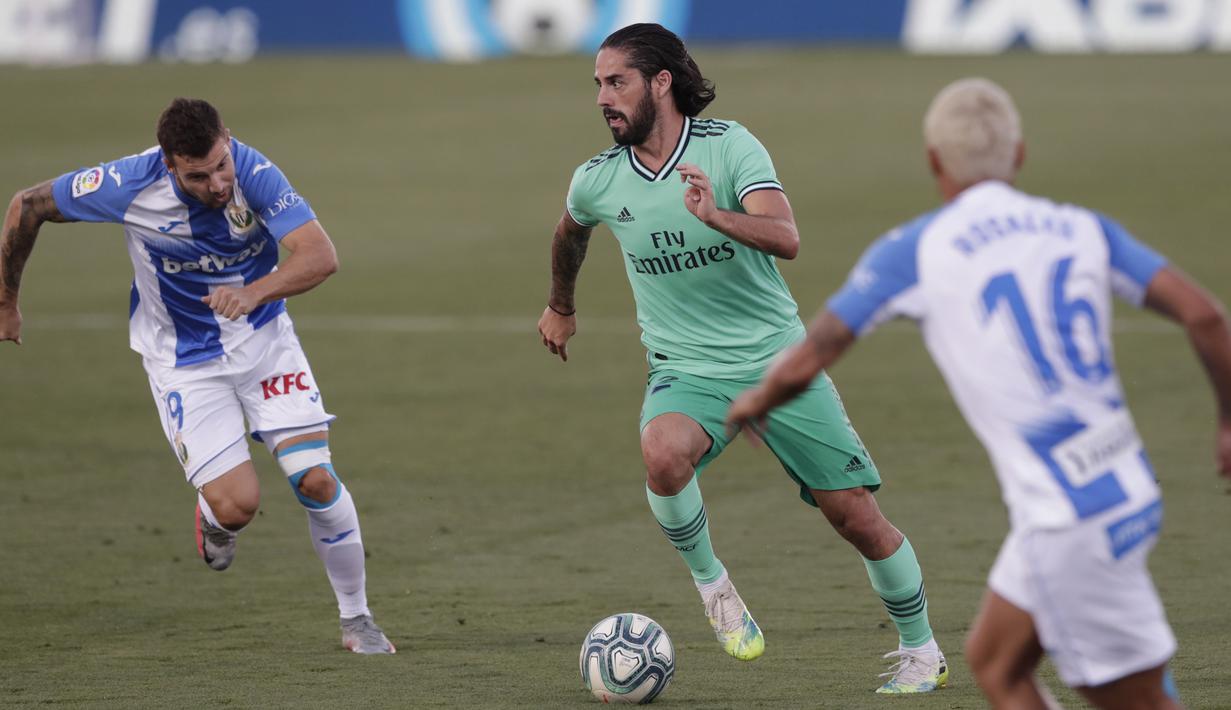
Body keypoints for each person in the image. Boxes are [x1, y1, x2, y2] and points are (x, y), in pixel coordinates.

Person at [727, 77, 1231, 709]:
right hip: (1120, 482)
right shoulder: (1082, 228)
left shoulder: (916, 249)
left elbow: (818, 346)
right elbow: (1207, 315)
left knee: (1135, 701)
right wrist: (1229, 423)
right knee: (994, 661)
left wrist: (754, 400)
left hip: (1065, 516)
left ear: (933, 161)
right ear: (1018, 156)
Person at [537, 23, 947, 693]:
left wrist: (715, 216)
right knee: (661, 453)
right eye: (597, 85)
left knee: (855, 518)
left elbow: (785, 237)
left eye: (617, 82)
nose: (602, 99)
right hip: (686, 368)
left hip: (778, 363)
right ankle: (714, 588)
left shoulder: (729, 147)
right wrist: (560, 304)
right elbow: (568, 234)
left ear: (660, 82)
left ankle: (921, 649)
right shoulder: (597, 180)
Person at [0, 98, 395, 655]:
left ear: (227, 140)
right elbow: (28, 204)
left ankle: (357, 620)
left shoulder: (253, 172)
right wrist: (6, 300)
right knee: (239, 505)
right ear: (168, 164)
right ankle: (216, 519)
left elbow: (320, 255)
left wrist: (254, 293)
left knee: (316, 480)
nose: (216, 183)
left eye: (220, 165)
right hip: (184, 363)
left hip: (264, 346)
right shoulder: (126, 184)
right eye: (197, 174)